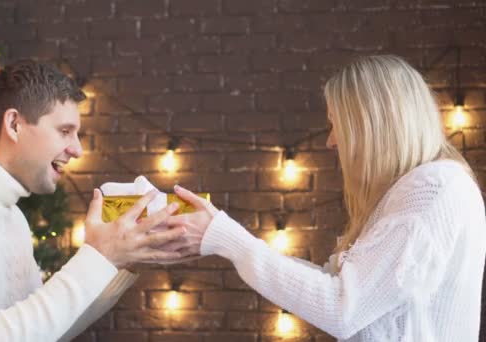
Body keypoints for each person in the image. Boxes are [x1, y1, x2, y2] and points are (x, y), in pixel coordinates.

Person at [166, 55, 486, 341]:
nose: (331, 141)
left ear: (372, 124)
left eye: (336, 124)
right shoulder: (428, 185)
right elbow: (336, 285)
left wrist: (227, 238)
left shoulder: (433, 188)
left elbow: (341, 308)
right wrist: (221, 238)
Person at [0, 60, 188, 341]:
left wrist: (121, 260)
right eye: (65, 131)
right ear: (14, 124)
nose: (77, 150)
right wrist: (99, 256)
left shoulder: (13, 217)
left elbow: (41, 333)